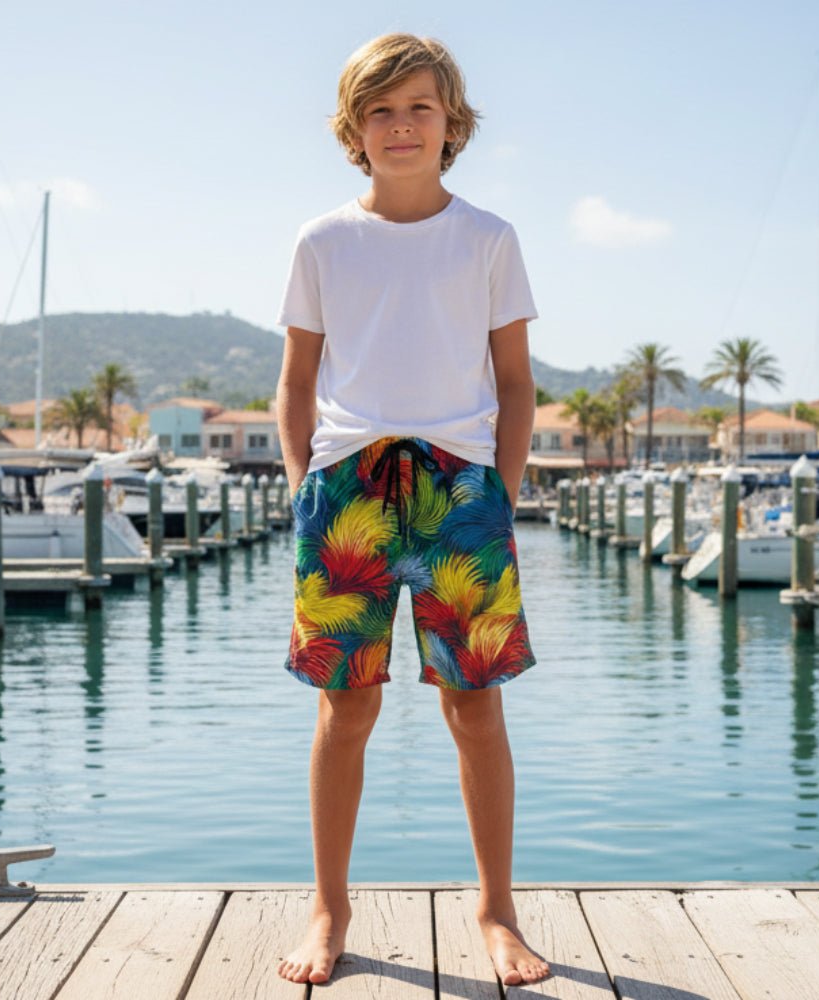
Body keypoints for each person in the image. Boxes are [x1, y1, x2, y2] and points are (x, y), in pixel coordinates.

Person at [275, 32, 548, 988]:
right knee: (343, 709)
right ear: (354, 128)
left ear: (451, 123)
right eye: (381, 111)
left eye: (420, 108)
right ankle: (329, 908)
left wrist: (497, 492)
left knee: (477, 708)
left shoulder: (488, 238)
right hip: (344, 486)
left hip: (459, 486)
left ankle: (497, 911)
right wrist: (302, 480)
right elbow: (296, 382)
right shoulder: (321, 240)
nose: (401, 126)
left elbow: (515, 384)